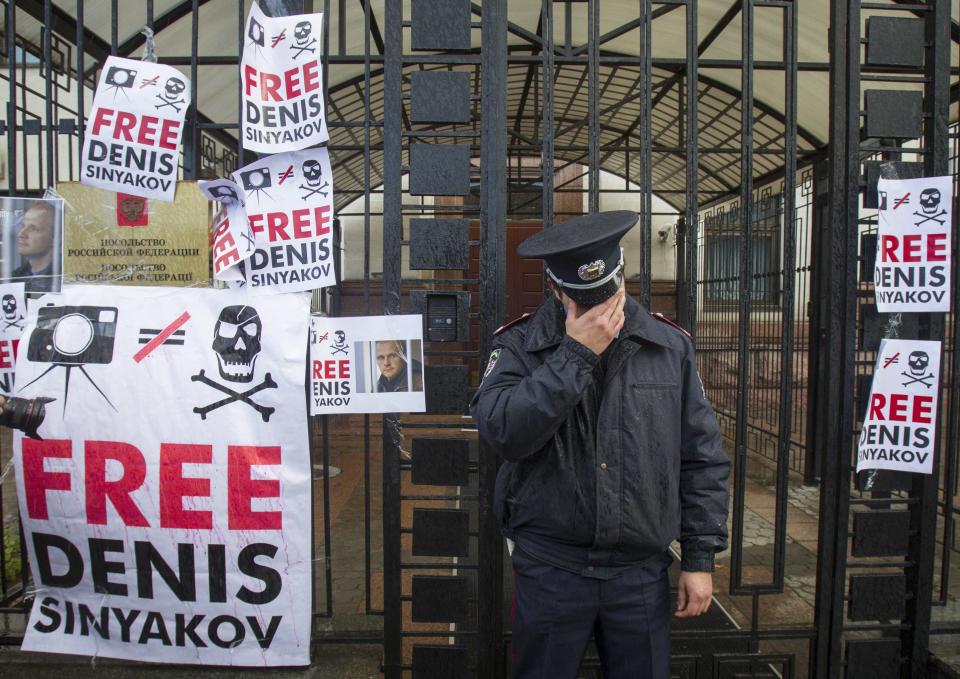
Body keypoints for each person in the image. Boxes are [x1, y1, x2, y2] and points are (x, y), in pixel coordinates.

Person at [471, 210, 730, 679]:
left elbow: (702, 458)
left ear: (623, 275)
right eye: (583, 304)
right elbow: (503, 432)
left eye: (607, 297)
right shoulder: (519, 345)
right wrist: (574, 354)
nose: (600, 314)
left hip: (640, 574)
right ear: (555, 290)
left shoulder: (669, 347)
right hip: (553, 569)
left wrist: (699, 557)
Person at [11, 201, 57, 293]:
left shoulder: (62, 278)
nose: (21, 234)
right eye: (23, 226)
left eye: (33, 228)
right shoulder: (14, 277)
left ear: (54, 237)